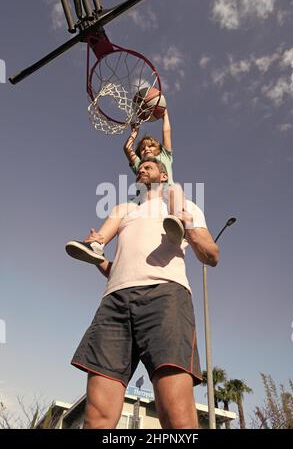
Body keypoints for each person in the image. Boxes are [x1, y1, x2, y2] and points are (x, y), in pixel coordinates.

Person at [70, 158, 219, 429]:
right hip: (115, 302)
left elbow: (212, 256)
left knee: (177, 416)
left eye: (149, 166)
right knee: (96, 417)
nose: (142, 169)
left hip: (165, 297)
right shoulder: (124, 210)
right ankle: (96, 245)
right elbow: (115, 270)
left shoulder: (185, 205)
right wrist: (97, 257)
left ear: (163, 175)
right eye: (140, 167)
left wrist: (191, 231)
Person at [65, 108, 186, 264]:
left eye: (150, 147)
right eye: (142, 148)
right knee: (119, 209)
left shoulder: (165, 157)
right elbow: (127, 148)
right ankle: (95, 245)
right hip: (142, 199)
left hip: (162, 193)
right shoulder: (140, 164)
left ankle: (177, 225)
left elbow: (167, 132)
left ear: (159, 149)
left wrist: (165, 114)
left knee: (175, 189)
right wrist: (134, 132)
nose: (146, 149)